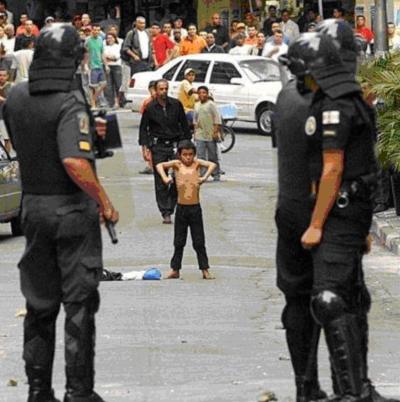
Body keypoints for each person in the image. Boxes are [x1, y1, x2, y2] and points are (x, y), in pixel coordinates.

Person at [3, 23, 119, 402]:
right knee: (79, 304)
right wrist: (104, 201)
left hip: (33, 206)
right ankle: (78, 392)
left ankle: (38, 390)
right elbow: (73, 160)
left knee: (38, 303)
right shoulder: (70, 101)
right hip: (70, 209)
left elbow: (27, 141)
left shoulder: (15, 97)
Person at [286, 31, 396, 402]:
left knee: (329, 298)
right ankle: (358, 388)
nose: (301, 80)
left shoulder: (333, 105)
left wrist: (316, 224)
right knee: (350, 298)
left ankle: (351, 393)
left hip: (339, 211)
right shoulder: (353, 101)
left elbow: (332, 168)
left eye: (303, 73)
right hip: (353, 211)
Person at [156, 140, 216, 280]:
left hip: (195, 208)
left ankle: (205, 269)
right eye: (185, 155)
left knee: (199, 241)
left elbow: (212, 164)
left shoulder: (197, 164)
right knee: (179, 241)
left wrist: (204, 177)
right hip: (181, 208)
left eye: (190, 154)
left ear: (194, 154)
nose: (188, 158)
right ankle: (175, 269)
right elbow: (159, 165)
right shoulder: (177, 165)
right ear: (179, 154)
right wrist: (165, 177)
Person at [139, 79, 191, 224]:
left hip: (175, 145)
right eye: (161, 89)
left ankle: (171, 205)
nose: (164, 91)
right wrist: (145, 148)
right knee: (160, 180)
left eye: (166, 89)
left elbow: (184, 125)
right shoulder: (150, 108)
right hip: (158, 147)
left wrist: (187, 145)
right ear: (156, 90)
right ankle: (165, 212)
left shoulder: (176, 104)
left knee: (178, 177)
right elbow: (143, 129)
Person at [193, 85, 221, 182]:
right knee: (200, 156)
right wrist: (195, 132)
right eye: (200, 93)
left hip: (210, 134)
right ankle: (202, 174)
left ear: (207, 94)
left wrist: (215, 132)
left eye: (204, 93)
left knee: (212, 155)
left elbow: (217, 119)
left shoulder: (211, 104)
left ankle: (216, 173)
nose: (202, 95)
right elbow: (195, 120)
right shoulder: (196, 105)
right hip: (200, 134)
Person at [86, 23, 107, 108]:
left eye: (98, 30)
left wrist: (106, 64)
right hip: (92, 65)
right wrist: (86, 65)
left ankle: (93, 100)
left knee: (103, 84)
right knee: (92, 86)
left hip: (100, 65)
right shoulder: (88, 40)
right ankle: (93, 104)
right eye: (95, 30)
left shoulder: (100, 39)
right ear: (92, 30)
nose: (96, 32)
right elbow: (85, 53)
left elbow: (102, 53)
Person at [138, 80, 157, 175]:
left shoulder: (162, 101)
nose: (153, 92)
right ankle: (150, 166)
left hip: (158, 128)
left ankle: (154, 166)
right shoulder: (147, 102)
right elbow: (143, 115)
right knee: (148, 148)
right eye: (152, 89)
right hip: (149, 127)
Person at [103, 32, 122, 108]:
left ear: (114, 39)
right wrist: (108, 58)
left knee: (118, 84)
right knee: (108, 86)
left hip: (116, 66)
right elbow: (103, 56)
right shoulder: (105, 47)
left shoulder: (118, 46)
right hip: (107, 66)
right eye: (108, 38)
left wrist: (108, 57)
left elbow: (116, 57)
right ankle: (110, 102)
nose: (109, 39)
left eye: (111, 38)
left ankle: (119, 101)